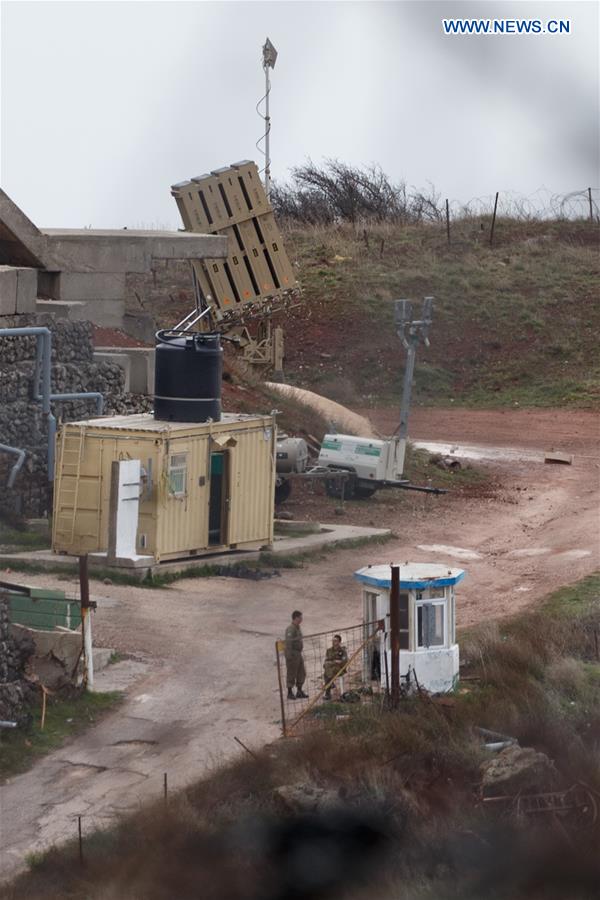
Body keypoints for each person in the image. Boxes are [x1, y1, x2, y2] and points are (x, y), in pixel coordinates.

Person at [284, 610, 308, 700]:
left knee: (301, 672)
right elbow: (288, 643)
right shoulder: (291, 629)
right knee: (291, 673)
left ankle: (299, 691)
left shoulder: (298, 627)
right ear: (296, 618)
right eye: (300, 617)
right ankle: (290, 692)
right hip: (293, 654)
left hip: (298, 653)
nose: (302, 619)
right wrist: (289, 656)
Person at [323, 634, 348, 700]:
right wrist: (335, 662)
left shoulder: (342, 651)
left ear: (339, 642)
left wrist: (333, 662)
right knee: (327, 669)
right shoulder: (329, 650)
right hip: (330, 668)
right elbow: (326, 661)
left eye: (336, 641)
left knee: (326, 673)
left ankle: (328, 693)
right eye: (333, 640)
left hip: (339, 669)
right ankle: (331, 684)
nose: (334, 642)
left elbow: (344, 661)